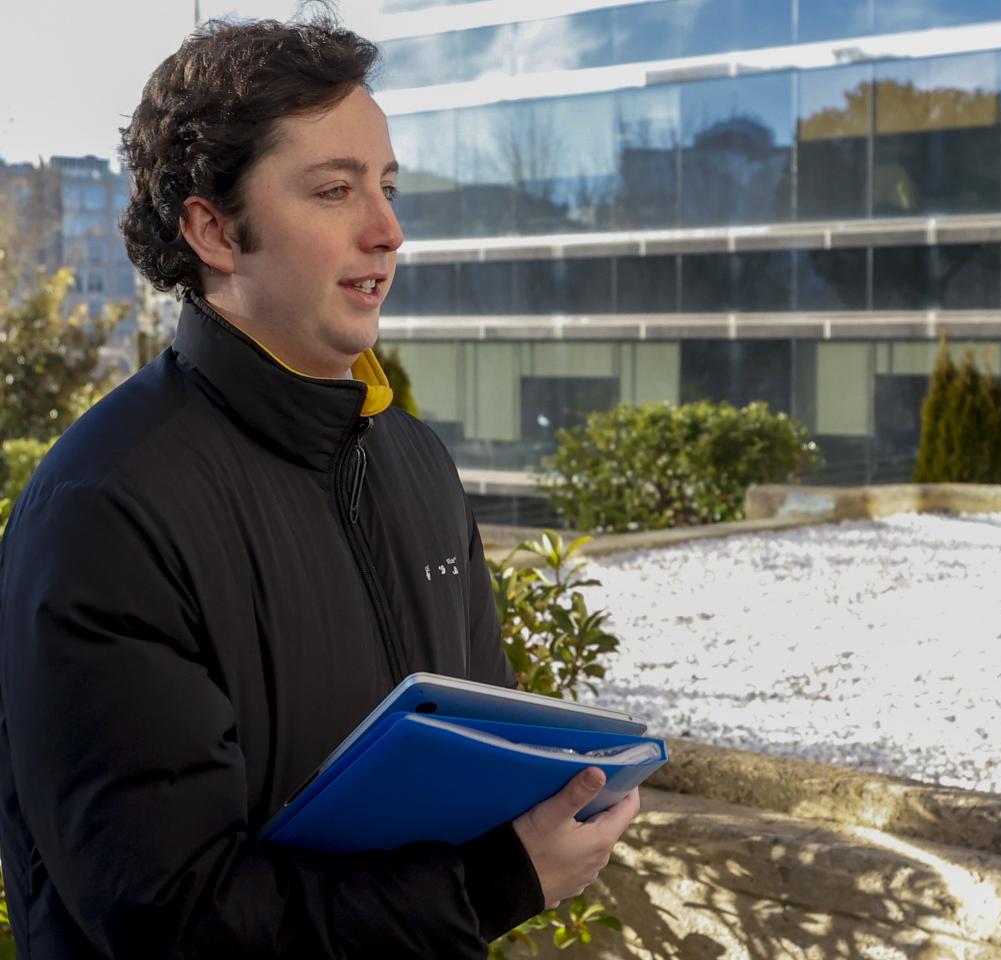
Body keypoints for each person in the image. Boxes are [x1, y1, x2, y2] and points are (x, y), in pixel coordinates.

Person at [0, 15, 639, 959]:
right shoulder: (106, 506)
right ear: (213, 228)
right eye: (335, 190)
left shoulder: (416, 462)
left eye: (387, 185)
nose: (388, 229)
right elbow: (170, 914)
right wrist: (493, 884)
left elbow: (485, 753)